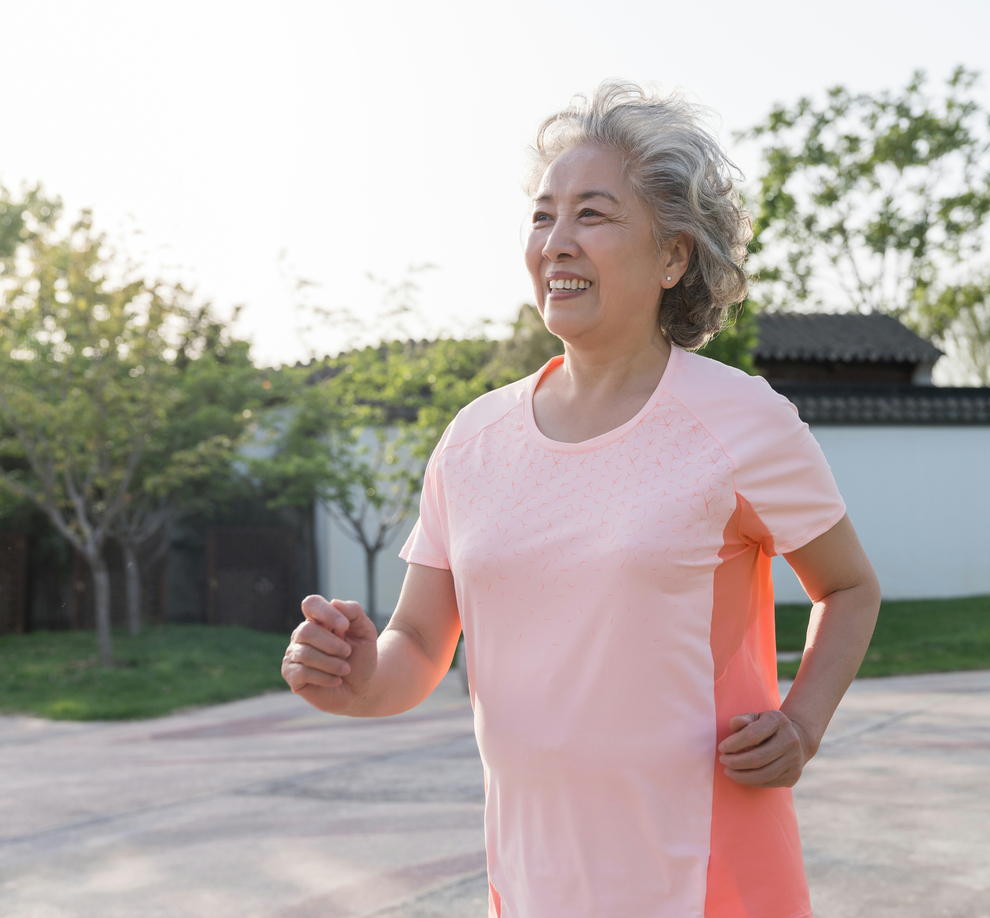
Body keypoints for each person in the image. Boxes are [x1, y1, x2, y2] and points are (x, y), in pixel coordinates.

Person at [282, 81, 880, 918]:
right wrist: (354, 677)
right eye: (542, 216)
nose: (557, 242)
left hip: (703, 869)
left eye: (593, 216)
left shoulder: (741, 420)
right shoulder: (473, 438)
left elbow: (849, 587)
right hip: (533, 877)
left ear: (673, 256)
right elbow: (418, 641)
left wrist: (803, 723)